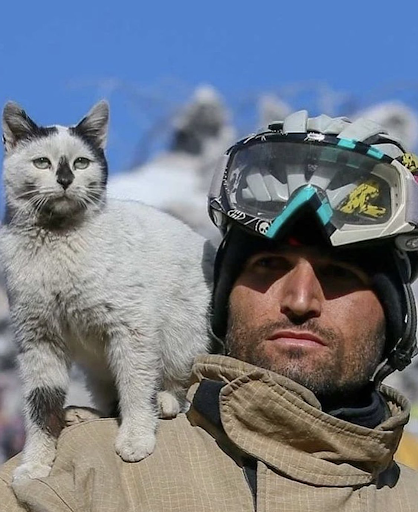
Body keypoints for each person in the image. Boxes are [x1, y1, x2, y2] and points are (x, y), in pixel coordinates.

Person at [1, 110, 418, 511]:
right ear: (222, 294)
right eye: (268, 266)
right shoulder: (73, 483)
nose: (300, 300)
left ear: (397, 314)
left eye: (341, 274)